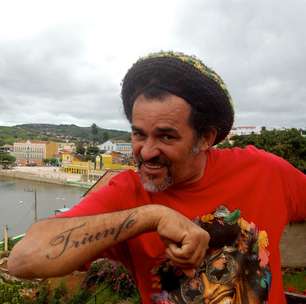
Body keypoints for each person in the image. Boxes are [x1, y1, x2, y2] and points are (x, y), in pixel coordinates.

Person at [8, 51, 306, 304]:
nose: (146, 152)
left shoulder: (265, 172)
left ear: (205, 138)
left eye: (166, 136)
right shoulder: (127, 195)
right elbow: (22, 260)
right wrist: (150, 216)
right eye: (139, 134)